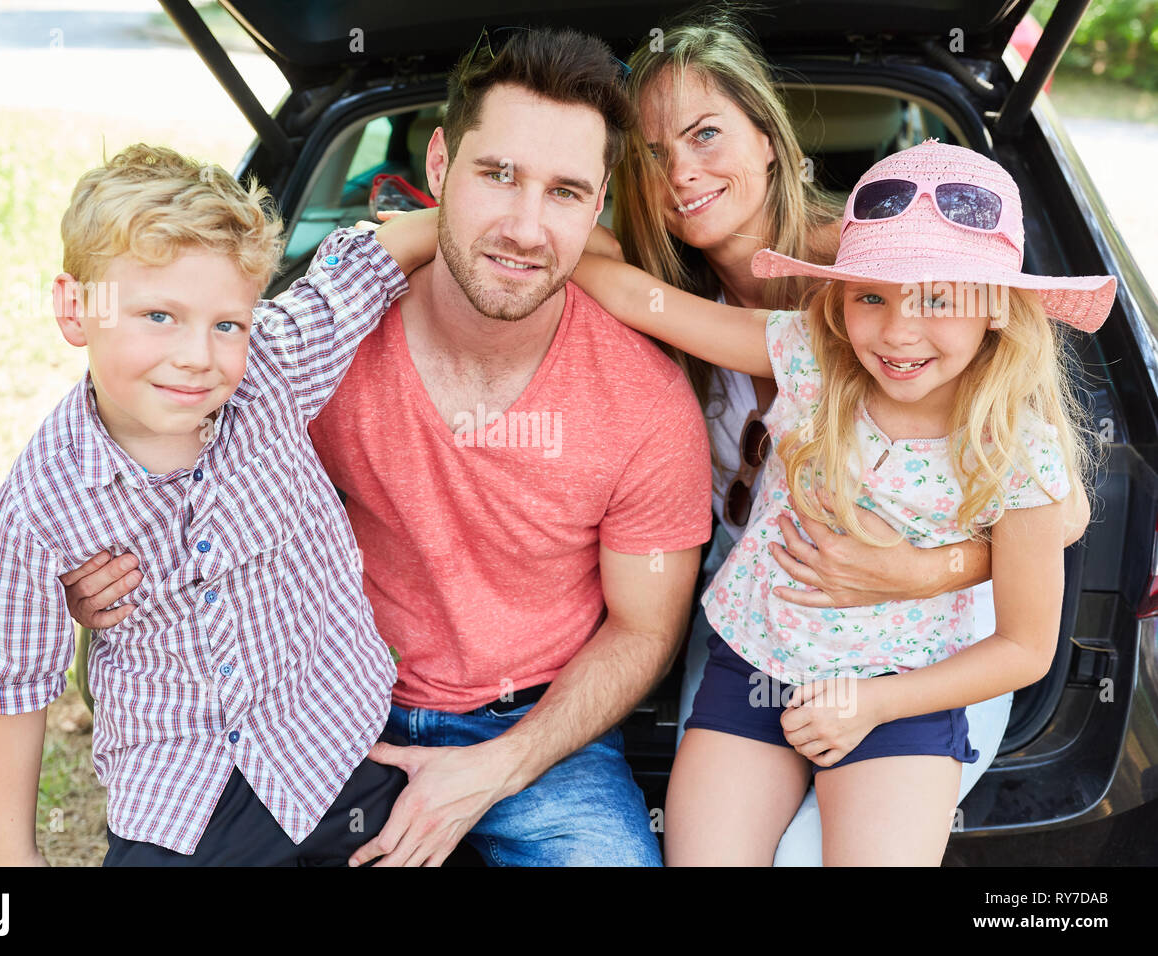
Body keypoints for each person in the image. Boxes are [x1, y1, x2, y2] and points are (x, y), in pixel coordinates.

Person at [63, 29, 712, 866]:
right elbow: (163, 468)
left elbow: (642, 628)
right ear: (440, 168)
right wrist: (104, 581)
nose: (523, 225)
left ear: (597, 208)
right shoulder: (319, 351)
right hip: (313, 707)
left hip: (539, 732)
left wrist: (497, 767)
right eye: (498, 174)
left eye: (563, 192)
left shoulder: (647, 402)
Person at [602, 13, 1090, 863]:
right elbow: (640, 301)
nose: (680, 170)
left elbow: (1054, 541)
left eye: (706, 133)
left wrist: (910, 572)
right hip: (758, 640)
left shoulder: (885, 295)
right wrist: (512, 227)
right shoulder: (822, 330)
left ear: (768, 138)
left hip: (918, 659)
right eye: (647, 153)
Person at [0, 144, 438, 866]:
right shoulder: (43, 501)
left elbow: (375, 258)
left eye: (226, 325)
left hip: (336, 748)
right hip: (179, 794)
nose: (198, 355)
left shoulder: (274, 365)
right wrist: (16, 858)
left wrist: (496, 225)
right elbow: (11, 683)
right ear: (74, 308)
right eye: (159, 315)